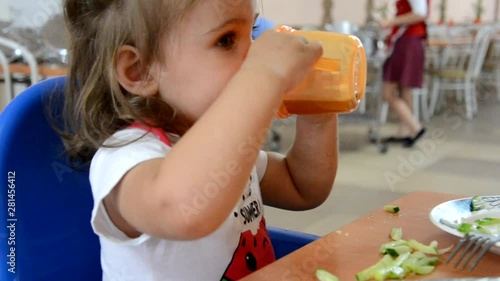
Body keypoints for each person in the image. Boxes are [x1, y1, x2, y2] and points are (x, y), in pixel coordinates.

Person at [59, 1, 338, 280]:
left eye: (252, 31)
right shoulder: (127, 158)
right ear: (140, 71)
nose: (254, 55)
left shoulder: (229, 147)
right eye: (227, 40)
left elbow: (301, 186)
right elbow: (183, 211)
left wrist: (317, 115)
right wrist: (264, 74)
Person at [378, 0, 429, 147]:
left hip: (407, 42)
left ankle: (415, 127)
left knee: (388, 92)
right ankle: (405, 131)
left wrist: (390, 21)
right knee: (405, 89)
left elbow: (420, 13)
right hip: (411, 41)